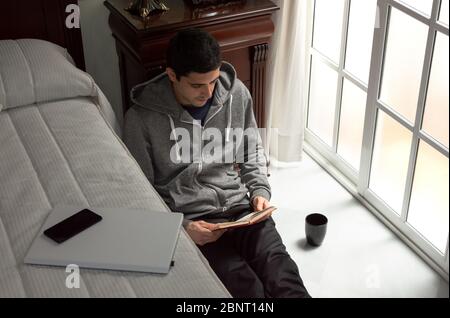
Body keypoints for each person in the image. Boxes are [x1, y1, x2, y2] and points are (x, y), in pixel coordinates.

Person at [124, 28, 310, 298]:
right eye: (197, 85)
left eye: (212, 81)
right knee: (246, 289)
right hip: (196, 221)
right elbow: (141, 192)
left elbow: (250, 149)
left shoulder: (236, 93)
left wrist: (259, 192)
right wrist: (183, 228)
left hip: (241, 209)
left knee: (283, 275)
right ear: (172, 75)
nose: (208, 92)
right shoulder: (140, 119)